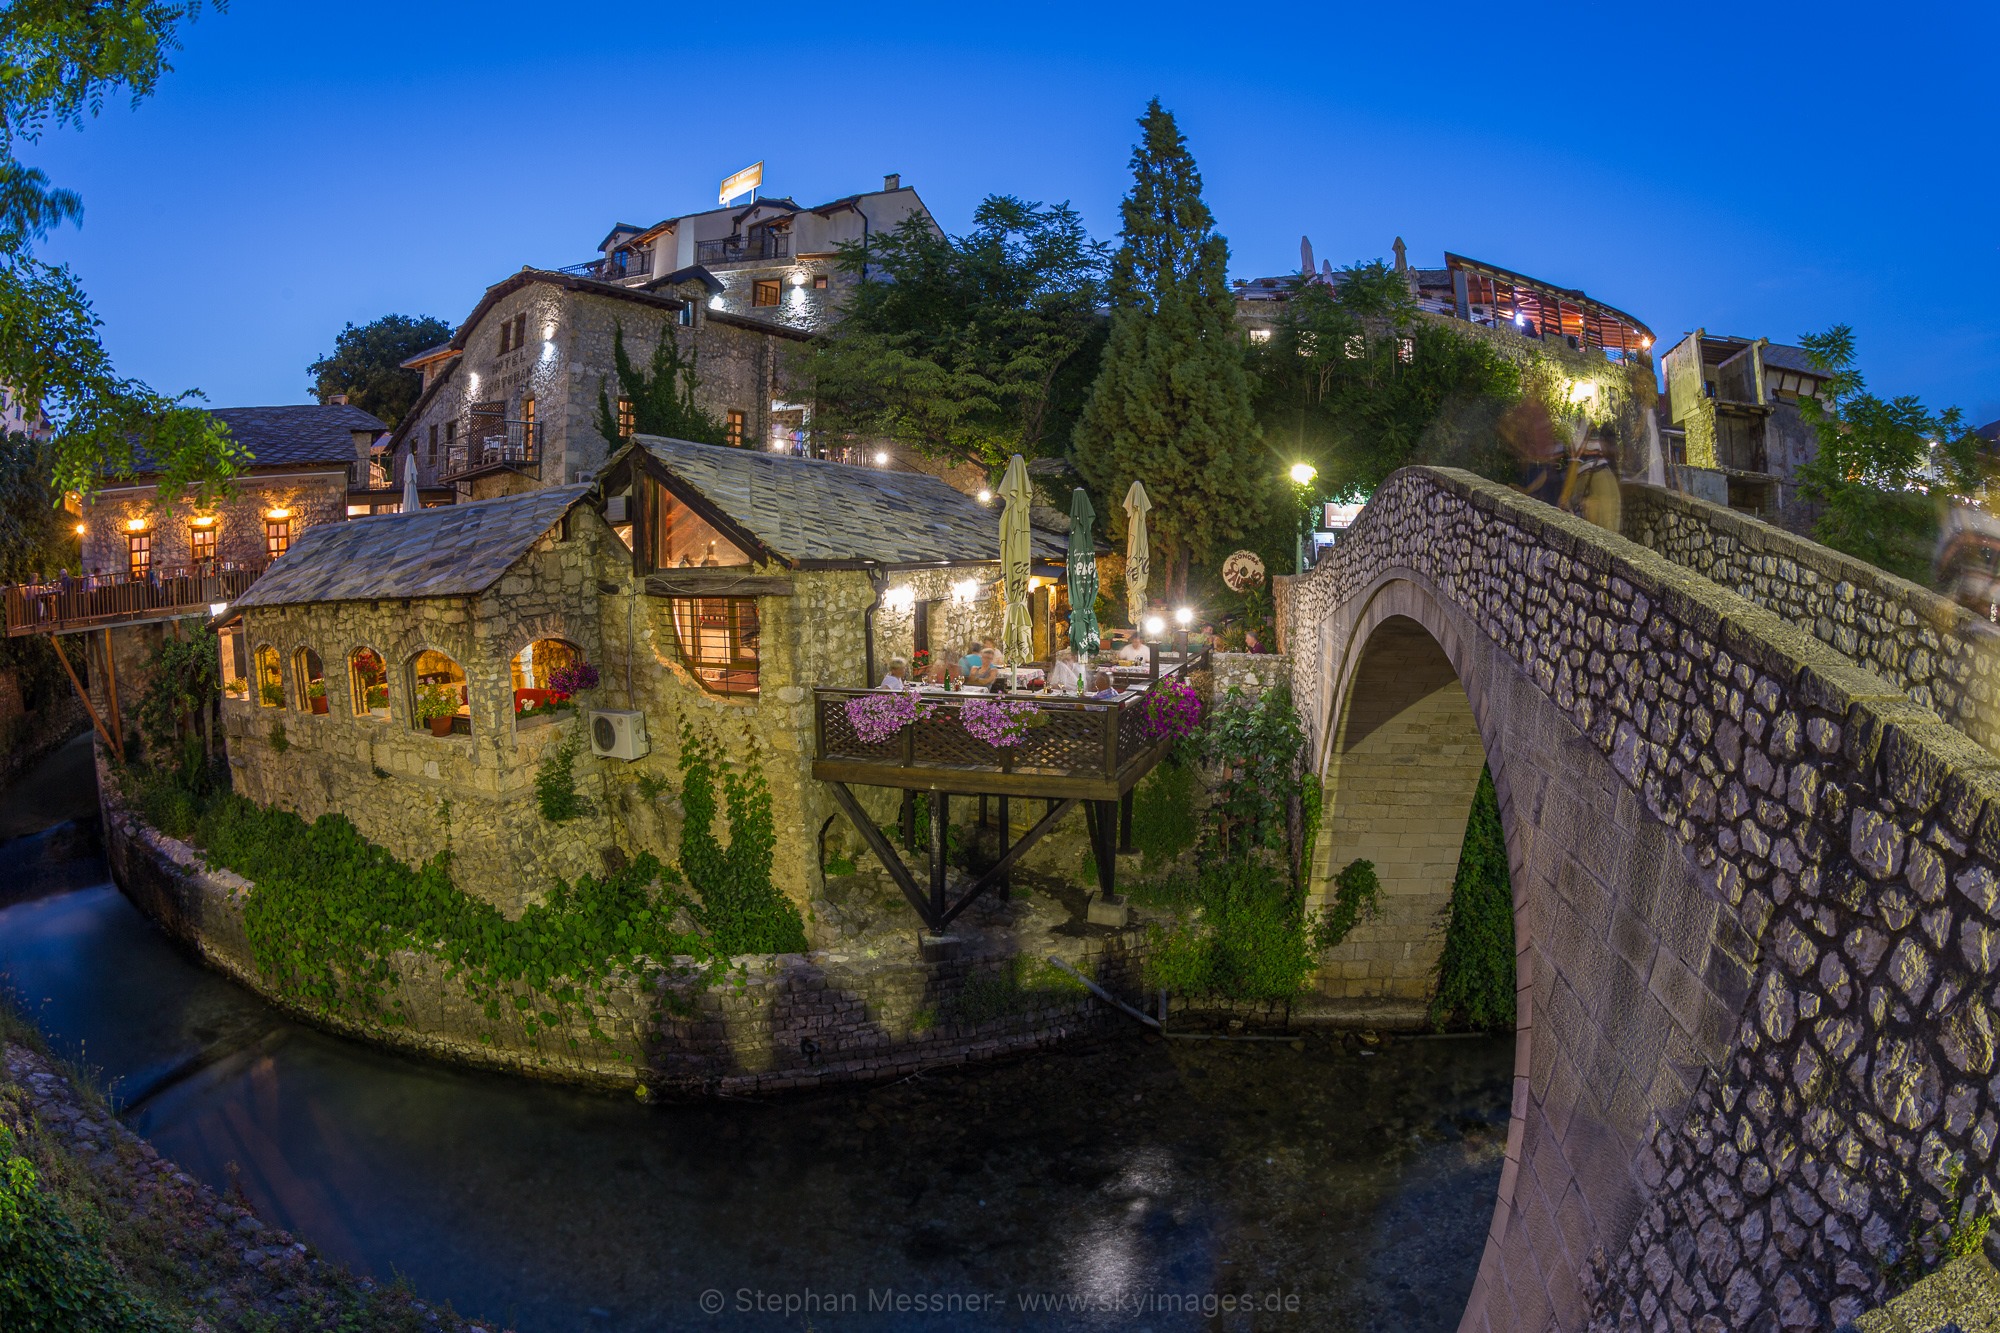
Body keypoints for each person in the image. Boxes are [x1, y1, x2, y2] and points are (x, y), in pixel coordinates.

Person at [1560, 422, 1623, 533]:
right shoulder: (1592, 431)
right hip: (1608, 481)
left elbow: (1574, 463)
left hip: (1595, 484)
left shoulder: (1580, 430)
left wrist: (1563, 499)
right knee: (1610, 534)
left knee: (1598, 538)